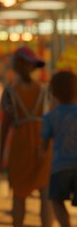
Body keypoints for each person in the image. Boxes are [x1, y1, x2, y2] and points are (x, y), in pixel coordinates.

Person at [0, 46, 53, 227]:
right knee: (46, 193)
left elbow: (5, 126)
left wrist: (1, 156)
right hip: (43, 143)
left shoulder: (10, 92)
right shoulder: (45, 90)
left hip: (20, 145)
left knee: (19, 194)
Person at [41, 70, 77, 227]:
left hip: (59, 168)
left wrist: (40, 153)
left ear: (53, 92)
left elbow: (43, 144)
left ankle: (66, 225)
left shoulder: (50, 116)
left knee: (56, 201)